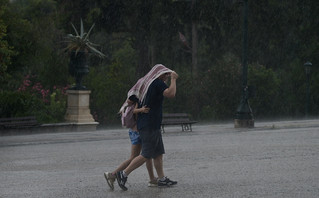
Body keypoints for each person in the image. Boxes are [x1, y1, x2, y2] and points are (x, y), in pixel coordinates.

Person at [116, 64, 179, 191]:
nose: (166, 76)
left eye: (168, 74)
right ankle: (123, 174)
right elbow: (171, 94)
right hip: (150, 125)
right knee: (146, 154)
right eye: (165, 74)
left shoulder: (146, 84)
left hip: (148, 124)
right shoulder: (157, 83)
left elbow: (130, 100)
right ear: (159, 73)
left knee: (158, 153)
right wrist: (173, 79)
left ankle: (161, 179)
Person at [104, 95, 157, 190]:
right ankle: (113, 174)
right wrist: (142, 110)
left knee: (143, 156)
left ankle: (152, 179)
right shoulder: (138, 100)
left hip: (132, 132)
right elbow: (134, 111)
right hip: (138, 132)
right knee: (144, 155)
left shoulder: (129, 103)